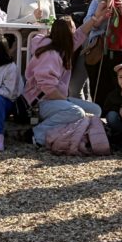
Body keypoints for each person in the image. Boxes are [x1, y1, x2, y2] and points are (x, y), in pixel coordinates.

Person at [24, 17, 101, 146]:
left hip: (56, 99)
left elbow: (80, 34)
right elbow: (47, 88)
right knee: (76, 112)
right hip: (40, 103)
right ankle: (36, 134)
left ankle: (72, 135)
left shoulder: (61, 47)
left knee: (95, 110)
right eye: (73, 27)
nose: (76, 30)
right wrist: (67, 102)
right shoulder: (50, 54)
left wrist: (96, 18)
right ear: (67, 34)